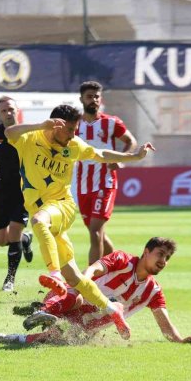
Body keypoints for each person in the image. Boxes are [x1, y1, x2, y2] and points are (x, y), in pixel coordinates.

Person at [4, 104, 155, 340]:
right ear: (57, 125)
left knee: (38, 221)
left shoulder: (73, 146)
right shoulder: (30, 138)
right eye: (71, 129)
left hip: (62, 207)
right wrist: (40, 125)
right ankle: (111, 308)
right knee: (74, 276)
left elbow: (101, 154)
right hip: (47, 213)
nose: (74, 135)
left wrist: (134, 156)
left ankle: (53, 275)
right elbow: (9, 133)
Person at [0, 237, 191, 346]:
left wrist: (181, 340)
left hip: (83, 329)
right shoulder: (122, 260)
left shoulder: (153, 291)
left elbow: (164, 324)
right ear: (146, 252)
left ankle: (9, 337)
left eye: (167, 258)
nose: (163, 261)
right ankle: (46, 309)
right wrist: (80, 282)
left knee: (55, 339)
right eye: (160, 254)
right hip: (70, 300)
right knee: (77, 293)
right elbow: (94, 269)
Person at [76, 81, 138, 265]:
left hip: (105, 183)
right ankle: (125, 266)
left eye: (96, 96)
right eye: (89, 96)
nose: (93, 100)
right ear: (81, 99)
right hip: (83, 186)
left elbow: (131, 141)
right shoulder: (75, 124)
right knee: (97, 234)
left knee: (95, 234)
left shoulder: (111, 122)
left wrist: (120, 160)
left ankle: (91, 283)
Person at [0, 96, 34, 292]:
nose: (8, 113)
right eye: (4, 111)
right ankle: (26, 240)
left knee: (14, 232)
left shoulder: (28, 133)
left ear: (17, 110)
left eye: (11, 109)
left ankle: (10, 279)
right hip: (1, 190)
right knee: (1, 240)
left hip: (23, 191)